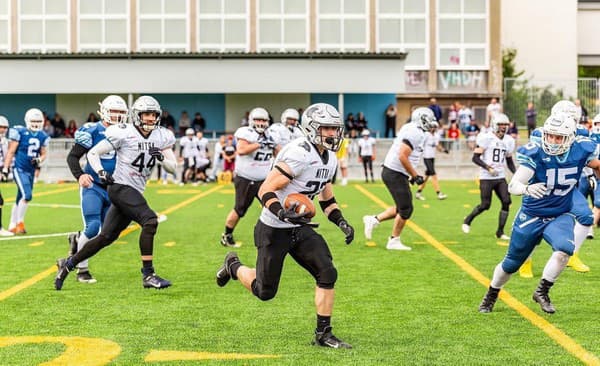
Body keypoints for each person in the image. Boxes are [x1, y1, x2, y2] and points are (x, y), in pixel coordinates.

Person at [216, 103, 355, 349]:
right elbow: (265, 189)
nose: (333, 134)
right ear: (312, 129)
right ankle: (233, 265)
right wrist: (282, 213)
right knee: (264, 291)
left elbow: (326, 197)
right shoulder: (298, 153)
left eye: (335, 129)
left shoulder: (330, 157)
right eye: (327, 129)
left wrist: (341, 221)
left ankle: (323, 334)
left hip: (299, 227)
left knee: (327, 272)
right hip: (273, 227)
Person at [478, 112, 600, 314]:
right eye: (550, 135)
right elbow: (514, 185)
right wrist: (526, 189)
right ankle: (492, 292)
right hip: (532, 214)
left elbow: (596, 164)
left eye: (559, 137)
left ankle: (542, 291)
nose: (553, 141)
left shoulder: (581, 149)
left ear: (570, 138)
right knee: (511, 264)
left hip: (560, 212)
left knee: (564, 251)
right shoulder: (535, 152)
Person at [54, 95, 177, 290]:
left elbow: (173, 168)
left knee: (106, 237)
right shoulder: (124, 132)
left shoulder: (162, 135)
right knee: (150, 220)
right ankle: (148, 274)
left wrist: (161, 157)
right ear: (137, 116)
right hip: (119, 187)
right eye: (146, 114)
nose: (150, 119)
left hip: (135, 189)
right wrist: (101, 171)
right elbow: (94, 153)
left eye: (154, 115)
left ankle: (67, 265)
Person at [65, 95, 128, 284]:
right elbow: (73, 157)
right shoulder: (92, 130)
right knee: (92, 228)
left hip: (114, 188)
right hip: (93, 186)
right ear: (104, 112)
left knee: (108, 234)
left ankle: (77, 241)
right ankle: (82, 270)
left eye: (121, 112)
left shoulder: (127, 132)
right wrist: (80, 175)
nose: (117, 116)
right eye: (114, 111)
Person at [362, 107, 436, 250]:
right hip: (394, 173)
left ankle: (373, 220)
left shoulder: (412, 128)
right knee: (406, 209)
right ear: (422, 119)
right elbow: (402, 155)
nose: (431, 123)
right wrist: (415, 175)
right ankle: (393, 240)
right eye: (429, 119)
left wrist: (411, 174)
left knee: (402, 206)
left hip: (395, 171)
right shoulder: (416, 132)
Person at [220, 107, 280, 247]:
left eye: (263, 120)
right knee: (240, 209)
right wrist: (259, 144)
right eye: (258, 119)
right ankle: (227, 235)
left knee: (273, 206)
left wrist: (275, 146)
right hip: (247, 179)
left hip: (265, 180)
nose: (261, 123)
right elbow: (241, 150)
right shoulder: (246, 132)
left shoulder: (271, 134)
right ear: (251, 121)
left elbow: (281, 154)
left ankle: (277, 235)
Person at [462, 113, 516, 240]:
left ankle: (500, 231)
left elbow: (509, 160)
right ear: (494, 125)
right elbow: (475, 158)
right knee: (485, 205)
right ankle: (467, 220)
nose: (503, 127)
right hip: (486, 177)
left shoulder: (509, 141)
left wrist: (516, 173)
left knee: (506, 201)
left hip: (500, 177)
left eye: (505, 125)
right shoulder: (486, 138)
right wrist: (488, 168)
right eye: (501, 124)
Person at [2, 108, 50, 234]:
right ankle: (20, 223)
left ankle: (12, 224)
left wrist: (39, 159)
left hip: (30, 170)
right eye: (33, 120)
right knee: (27, 195)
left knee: (20, 197)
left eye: (38, 120)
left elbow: (44, 153)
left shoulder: (42, 136)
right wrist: (6, 168)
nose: (35, 123)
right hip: (19, 168)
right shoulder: (20, 132)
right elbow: (12, 151)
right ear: (27, 120)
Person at [415, 121, 449, 201]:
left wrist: (444, 150)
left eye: (434, 127)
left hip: (432, 157)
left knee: (427, 176)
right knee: (434, 175)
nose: (433, 128)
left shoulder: (436, 136)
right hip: (426, 156)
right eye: (432, 127)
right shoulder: (426, 135)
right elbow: (421, 144)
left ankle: (418, 192)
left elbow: (437, 146)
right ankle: (439, 193)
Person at [0, 116, 14, 236]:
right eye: (1, 127)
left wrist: (5, 170)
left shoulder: (4, 141)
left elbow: (7, 157)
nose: (3, 130)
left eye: (5, 127)